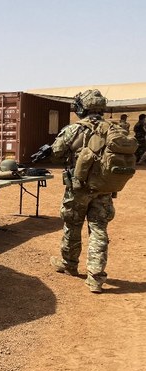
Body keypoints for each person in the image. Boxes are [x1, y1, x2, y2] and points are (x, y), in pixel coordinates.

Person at [48, 89, 114, 293]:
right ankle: (96, 278)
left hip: (78, 188)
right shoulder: (113, 129)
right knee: (99, 230)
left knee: (72, 225)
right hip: (103, 189)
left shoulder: (74, 129)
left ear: (82, 108)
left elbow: (56, 153)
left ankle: (69, 264)